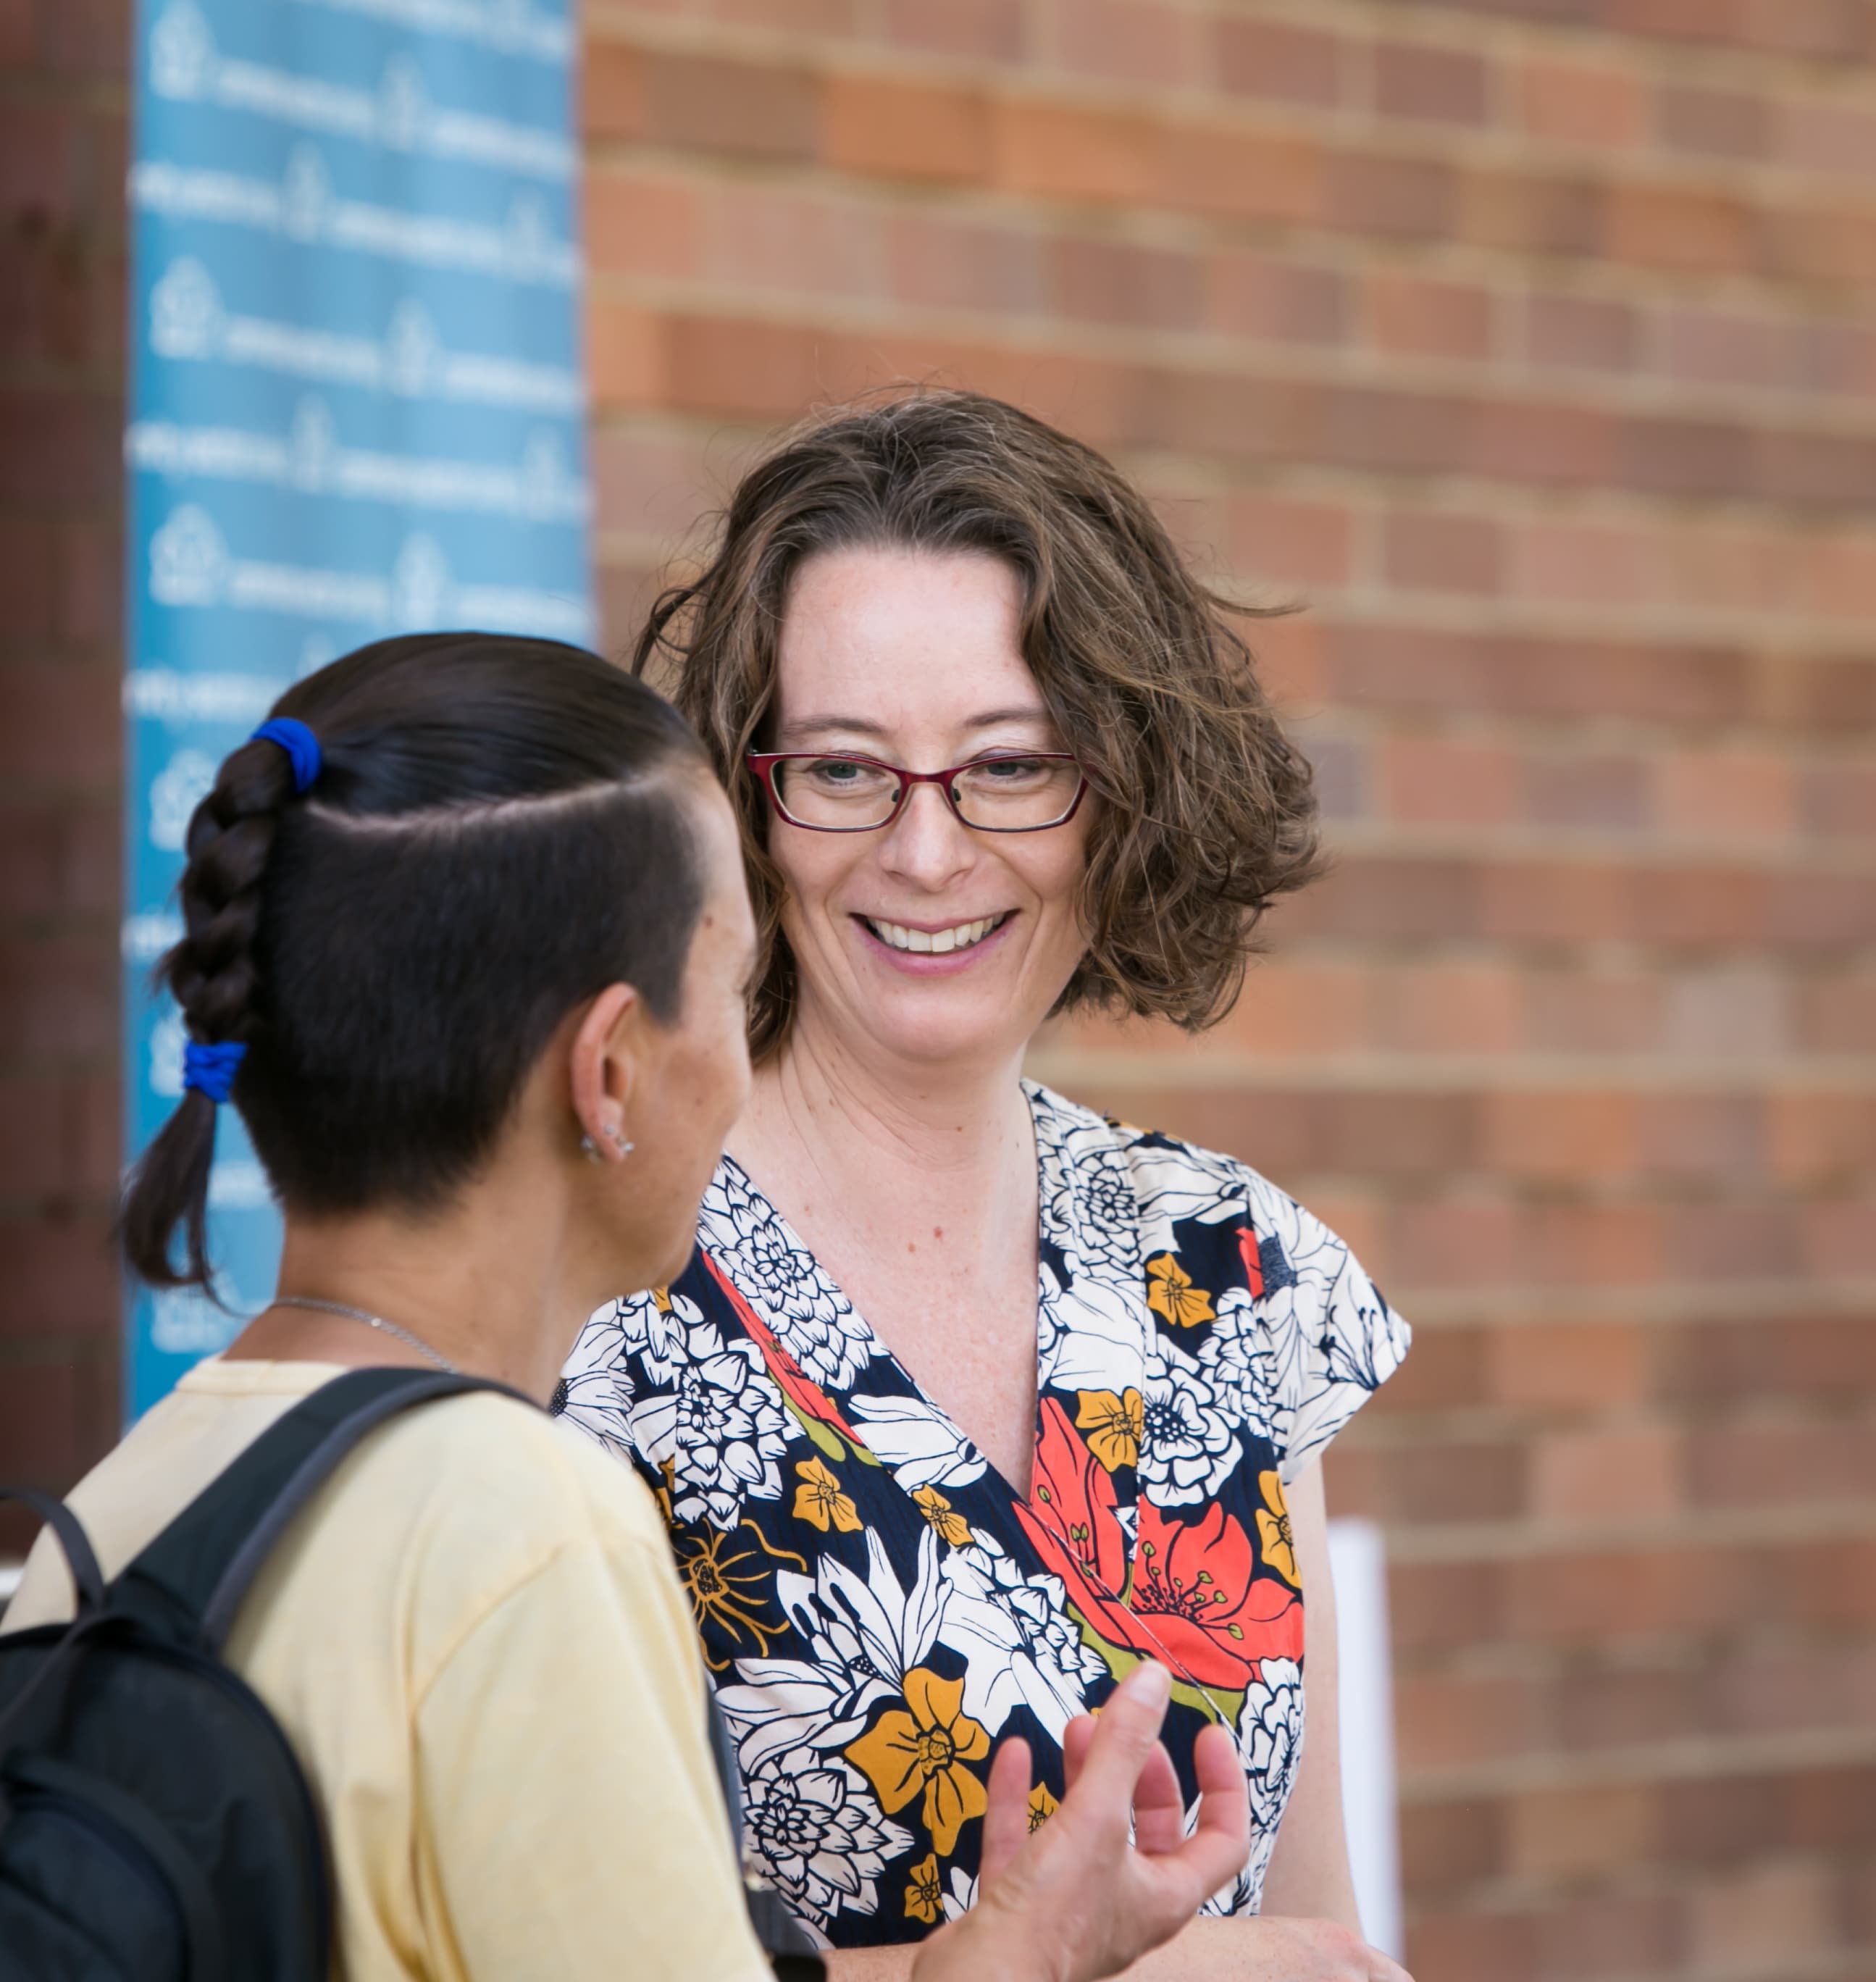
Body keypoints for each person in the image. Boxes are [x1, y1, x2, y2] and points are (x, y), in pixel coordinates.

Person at [4, 632, 1255, 1982]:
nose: (738, 1066)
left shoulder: (131, 1505)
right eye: (730, 990)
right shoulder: (518, 1524)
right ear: (606, 1071)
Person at [558, 391, 1415, 1981]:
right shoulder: (596, 1288)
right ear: (747, 802)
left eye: (1009, 766)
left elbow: (1323, 1937)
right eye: (843, 769)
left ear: (1121, 794)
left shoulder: (1236, 1264)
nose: (928, 852)